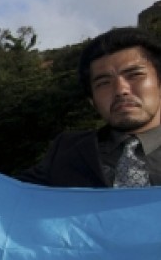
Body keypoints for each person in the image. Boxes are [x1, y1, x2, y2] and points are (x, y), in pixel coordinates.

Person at [20, 26, 161, 187]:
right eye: (103, 83)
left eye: (134, 75)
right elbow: (12, 197)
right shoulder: (67, 151)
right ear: (92, 100)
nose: (121, 90)